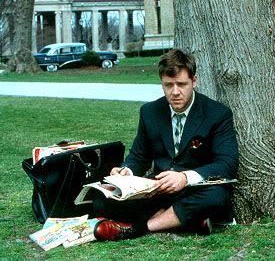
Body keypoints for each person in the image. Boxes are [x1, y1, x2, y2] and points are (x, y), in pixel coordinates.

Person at [92, 48, 239, 241]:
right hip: (158, 191)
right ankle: (188, 221)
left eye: (181, 84)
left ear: (194, 81)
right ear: (162, 83)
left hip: (196, 190)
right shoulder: (150, 112)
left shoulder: (217, 114)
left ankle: (139, 228)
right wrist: (126, 172)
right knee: (100, 201)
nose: (175, 92)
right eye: (168, 85)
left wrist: (184, 178)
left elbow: (227, 163)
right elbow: (139, 156)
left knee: (216, 197)